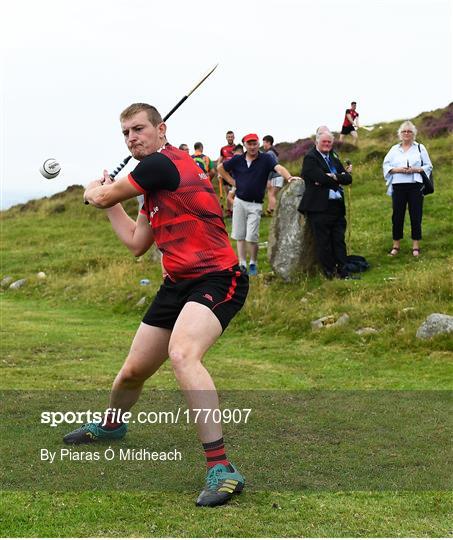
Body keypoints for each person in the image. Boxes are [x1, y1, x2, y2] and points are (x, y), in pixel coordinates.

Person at [66, 103, 249, 508]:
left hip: (219, 277)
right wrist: (110, 202)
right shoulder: (153, 185)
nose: (132, 138)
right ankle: (112, 426)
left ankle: (222, 468)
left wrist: (95, 192)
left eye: (138, 129)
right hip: (176, 285)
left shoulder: (161, 166)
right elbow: (136, 244)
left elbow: (101, 195)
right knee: (132, 371)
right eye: (126, 134)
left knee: (182, 354)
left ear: (161, 129)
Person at [217, 133, 296, 276]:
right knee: (239, 235)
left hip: (255, 204)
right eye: (249, 144)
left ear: (258, 144)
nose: (252, 147)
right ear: (245, 145)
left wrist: (289, 177)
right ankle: (242, 264)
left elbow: (278, 168)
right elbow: (220, 168)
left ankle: (253, 262)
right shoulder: (238, 159)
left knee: (252, 236)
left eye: (255, 144)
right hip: (239, 201)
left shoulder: (266, 158)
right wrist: (232, 181)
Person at [298, 129, 353, 279]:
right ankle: (329, 273)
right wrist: (337, 178)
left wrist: (333, 176)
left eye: (329, 142)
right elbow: (318, 177)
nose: (327, 144)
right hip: (319, 207)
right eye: (324, 142)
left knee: (339, 240)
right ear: (317, 142)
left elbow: (348, 179)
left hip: (336, 206)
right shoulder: (310, 158)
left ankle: (344, 272)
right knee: (324, 242)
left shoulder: (333, 157)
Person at [383, 120, 433, 257]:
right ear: (400, 134)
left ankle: (416, 246)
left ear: (413, 134)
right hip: (398, 186)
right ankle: (396, 245)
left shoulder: (420, 148)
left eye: (409, 131)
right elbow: (386, 166)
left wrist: (416, 169)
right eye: (404, 131)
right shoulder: (394, 149)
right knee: (397, 216)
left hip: (415, 186)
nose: (406, 133)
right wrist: (397, 169)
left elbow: (428, 166)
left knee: (415, 215)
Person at [262, 135, 283, 216]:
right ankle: (269, 210)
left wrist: (269, 179)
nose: (263, 144)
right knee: (271, 194)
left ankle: (274, 212)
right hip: (278, 176)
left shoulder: (270, 153)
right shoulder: (273, 152)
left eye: (264, 142)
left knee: (271, 194)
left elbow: (270, 168)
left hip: (274, 176)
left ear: (268, 142)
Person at [217, 131, 236, 216]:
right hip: (225, 173)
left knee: (235, 192)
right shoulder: (223, 148)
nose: (230, 138)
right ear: (226, 138)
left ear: (234, 137)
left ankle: (235, 209)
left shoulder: (237, 148)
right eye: (228, 137)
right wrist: (219, 173)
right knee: (227, 192)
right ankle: (229, 210)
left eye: (231, 137)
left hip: (235, 173)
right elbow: (220, 161)